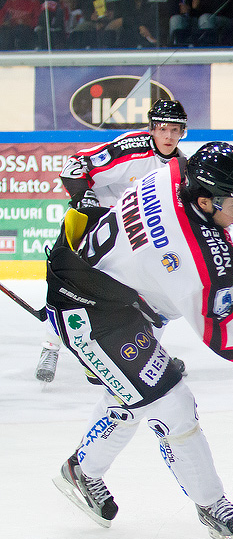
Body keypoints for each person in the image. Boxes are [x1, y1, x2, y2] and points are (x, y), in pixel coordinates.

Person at [48, 141, 233, 539]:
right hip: (95, 314)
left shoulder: (176, 172)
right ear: (204, 199)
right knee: (171, 402)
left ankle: (82, 471)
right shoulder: (192, 251)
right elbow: (224, 330)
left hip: (111, 291)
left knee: (132, 397)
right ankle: (211, 502)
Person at [35, 100, 189, 384]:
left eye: (175, 130)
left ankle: (143, 353)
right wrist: (84, 198)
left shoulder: (182, 168)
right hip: (94, 228)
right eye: (163, 129)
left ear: (183, 132)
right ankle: (50, 348)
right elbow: (75, 166)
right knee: (70, 288)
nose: (168, 136)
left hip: (133, 242)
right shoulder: (132, 149)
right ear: (152, 128)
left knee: (156, 298)